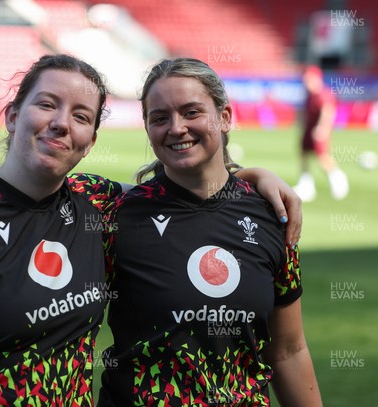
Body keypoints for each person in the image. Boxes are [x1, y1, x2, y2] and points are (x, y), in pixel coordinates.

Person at [0, 54, 302, 406]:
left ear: (89, 142)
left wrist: (252, 178)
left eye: (80, 116)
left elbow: (191, 189)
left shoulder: (96, 202)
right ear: (13, 116)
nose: (61, 124)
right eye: (47, 105)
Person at [98, 58, 322, 406]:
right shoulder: (116, 213)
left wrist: (251, 178)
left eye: (191, 112)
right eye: (160, 117)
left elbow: (288, 351)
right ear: (147, 128)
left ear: (225, 117)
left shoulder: (272, 213)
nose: (176, 128)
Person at [293, 65, 348, 202]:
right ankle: (306, 185)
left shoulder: (323, 94)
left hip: (318, 131)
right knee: (304, 155)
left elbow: (328, 111)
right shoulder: (309, 95)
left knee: (323, 158)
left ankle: (338, 181)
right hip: (309, 130)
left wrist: (322, 128)